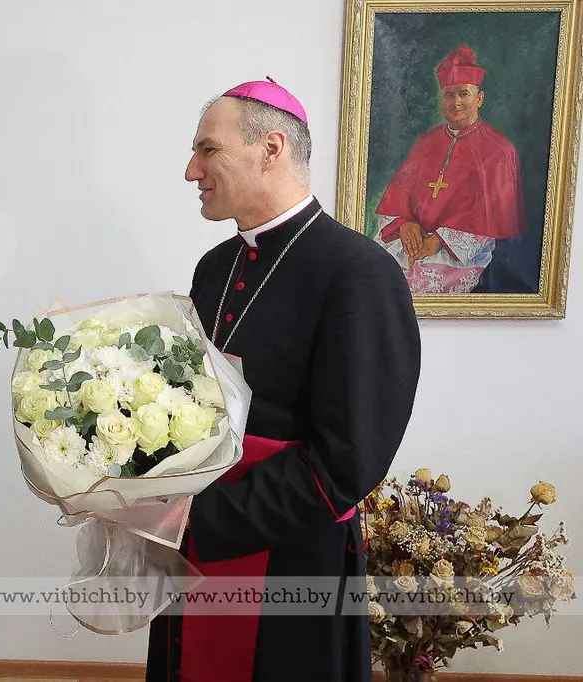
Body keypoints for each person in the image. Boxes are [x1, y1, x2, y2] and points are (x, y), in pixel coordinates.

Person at [145, 79, 421, 682]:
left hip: (292, 561)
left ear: (270, 148)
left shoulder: (360, 273)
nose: (192, 171)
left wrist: (202, 519)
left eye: (207, 150)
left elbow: (348, 461)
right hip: (194, 541)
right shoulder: (214, 268)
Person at [374, 45, 527, 293]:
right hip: (413, 244)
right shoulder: (426, 143)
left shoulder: (499, 149)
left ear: (480, 99)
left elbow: (493, 216)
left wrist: (439, 240)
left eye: (464, 94)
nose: (455, 102)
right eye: (449, 94)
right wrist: (404, 223)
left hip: (461, 253)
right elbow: (399, 195)